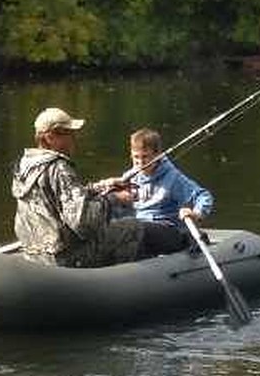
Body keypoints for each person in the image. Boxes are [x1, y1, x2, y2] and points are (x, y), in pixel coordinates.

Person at [11, 107, 144, 267]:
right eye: (68, 133)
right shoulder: (59, 168)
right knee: (132, 227)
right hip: (64, 258)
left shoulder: (25, 164)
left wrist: (103, 186)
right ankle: (116, 281)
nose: (74, 138)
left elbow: (60, 197)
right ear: (50, 137)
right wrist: (114, 199)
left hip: (33, 252)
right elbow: (83, 223)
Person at [127, 127, 215, 255]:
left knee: (138, 229)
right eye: (136, 157)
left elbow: (203, 196)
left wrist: (196, 213)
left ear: (157, 155)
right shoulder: (130, 177)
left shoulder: (173, 177)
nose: (140, 163)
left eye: (145, 157)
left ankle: (190, 239)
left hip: (168, 229)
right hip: (139, 226)